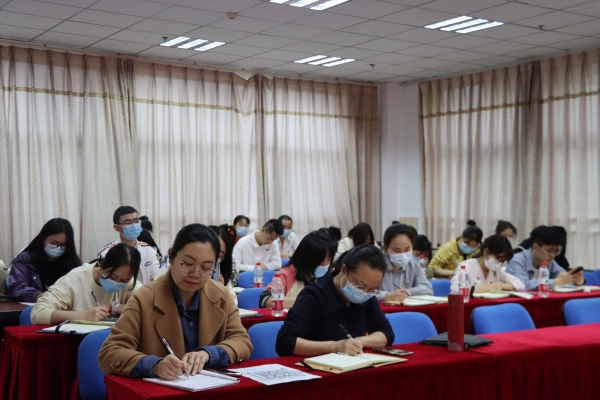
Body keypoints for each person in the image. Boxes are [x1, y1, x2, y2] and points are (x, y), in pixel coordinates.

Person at [98, 224, 253, 380]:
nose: (196, 274)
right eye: (188, 264)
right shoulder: (144, 298)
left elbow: (241, 341)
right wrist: (155, 365)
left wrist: (208, 354)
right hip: (160, 390)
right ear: (171, 256)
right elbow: (110, 352)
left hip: (210, 388)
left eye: (206, 267)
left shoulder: (221, 296)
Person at [275, 245, 394, 357]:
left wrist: (359, 342)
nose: (365, 292)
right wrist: (336, 347)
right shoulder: (314, 295)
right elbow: (285, 342)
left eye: (372, 289)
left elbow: (386, 333)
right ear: (344, 270)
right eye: (359, 286)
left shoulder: (367, 296)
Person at [30, 243, 142, 325]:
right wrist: (83, 316)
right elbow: (38, 313)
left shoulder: (129, 283)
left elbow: (148, 305)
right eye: (112, 276)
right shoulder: (76, 278)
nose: (117, 283)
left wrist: (115, 308)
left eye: (124, 281)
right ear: (103, 265)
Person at [8, 218, 82, 302]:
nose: (58, 248)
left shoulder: (73, 262)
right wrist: (38, 295)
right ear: (43, 238)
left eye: (63, 245)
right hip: (34, 307)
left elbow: (81, 288)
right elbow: (16, 288)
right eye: (54, 243)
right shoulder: (25, 259)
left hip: (63, 307)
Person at [259, 231, 333, 309]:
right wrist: (307, 300)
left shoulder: (329, 278)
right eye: (320, 261)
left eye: (328, 260)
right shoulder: (287, 274)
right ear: (307, 258)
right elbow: (266, 300)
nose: (325, 265)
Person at [506, 225, 584, 291]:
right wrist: (555, 282)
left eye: (556, 251)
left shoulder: (550, 261)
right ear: (535, 247)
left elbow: (563, 278)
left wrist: (575, 280)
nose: (553, 255)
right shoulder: (516, 261)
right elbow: (521, 285)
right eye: (549, 251)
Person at [98, 206, 162, 285]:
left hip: (146, 292)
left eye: (136, 221)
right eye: (128, 222)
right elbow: (106, 281)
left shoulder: (149, 250)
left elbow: (157, 277)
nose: (134, 225)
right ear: (116, 227)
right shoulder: (106, 253)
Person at [377, 224, 433, 302]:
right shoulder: (376, 265)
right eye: (396, 250)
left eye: (407, 250)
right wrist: (387, 295)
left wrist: (407, 292)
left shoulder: (413, 264)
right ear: (386, 248)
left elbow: (427, 289)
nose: (402, 254)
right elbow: (365, 293)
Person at [450, 235, 524, 294]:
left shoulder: (496, 271)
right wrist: (490, 287)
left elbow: (520, 284)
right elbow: (456, 289)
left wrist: (501, 286)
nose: (500, 263)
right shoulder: (466, 266)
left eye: (503, 261)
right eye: (498, 258)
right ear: (486, 251)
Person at [209, 225, 238, 305]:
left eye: (219, 256)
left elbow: (234, 305)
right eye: (211, 252)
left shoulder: (220, 276)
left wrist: (223, 293)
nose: (213, 259)